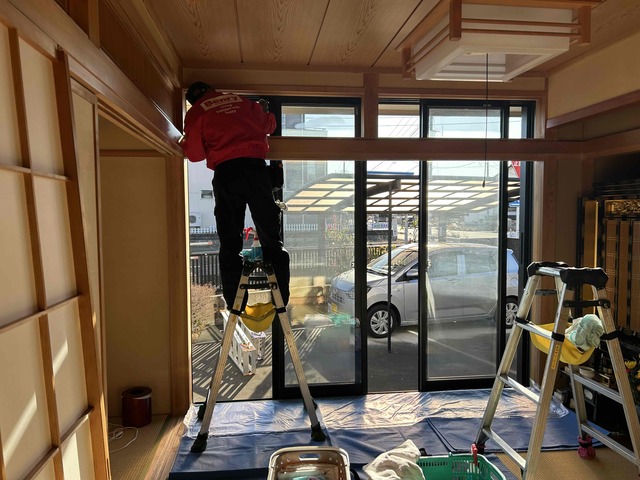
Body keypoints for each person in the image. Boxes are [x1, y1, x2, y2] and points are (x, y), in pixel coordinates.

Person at [179, 81, 290, 310]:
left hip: (227, 173)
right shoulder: (244, 102)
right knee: (271, 237)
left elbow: (194, 154)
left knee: (230, 240)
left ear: (192, 100)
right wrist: (263, 110)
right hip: (256, 169)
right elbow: (269, 124)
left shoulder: (197, 112)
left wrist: (188, 140)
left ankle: (235, 302)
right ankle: (281, 298)